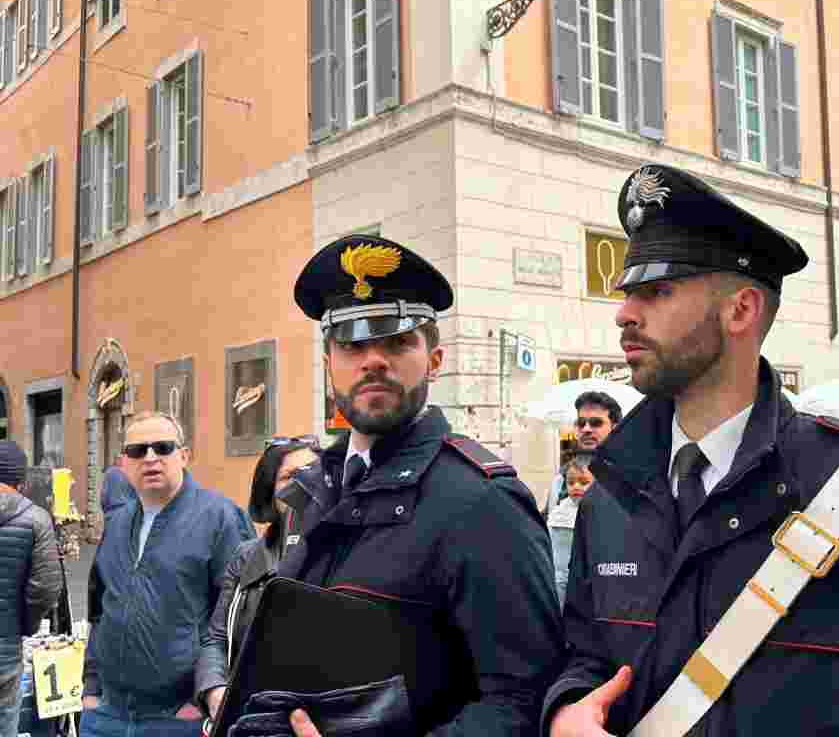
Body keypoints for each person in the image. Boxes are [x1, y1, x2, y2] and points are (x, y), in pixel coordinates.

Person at [544, 164, 839, 736]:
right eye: (627, 292)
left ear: (741, 310)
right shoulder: (610, 494)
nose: (624, 313)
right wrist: (567, 709)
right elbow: (585, 656)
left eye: (657, 290)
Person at [245, 234, 562, 736]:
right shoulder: (315, 490)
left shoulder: (481, 501)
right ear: (329, 365)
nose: (373, 359)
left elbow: (521, 703)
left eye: (397, 341)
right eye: (351, 344)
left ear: (434, 361)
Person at [81, 412, 254, 737]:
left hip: (177, 718)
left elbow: (237, 620)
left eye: (162, 448)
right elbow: (99, 608)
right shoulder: (117, 522)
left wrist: (200, 699)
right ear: (124, 463)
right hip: (107, 715)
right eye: (138, 451)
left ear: (183, 456)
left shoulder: (220, 518)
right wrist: (91, 689)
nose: (150, 458)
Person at [194, 436, 322, 720]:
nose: (303, 485)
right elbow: (216, 638)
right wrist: (214, 689)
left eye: (313, 472)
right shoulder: (247, 557)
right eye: (289, 477)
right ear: (270, 493)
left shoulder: (350, 549)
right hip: (252, 715)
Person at [0, 441, 63, 737]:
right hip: (5, 653)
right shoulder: (37, 519)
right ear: (22, 482)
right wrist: (25, 624)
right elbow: (46, 589)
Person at [543, 393, 622, 516]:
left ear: (615, 428)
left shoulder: (628, 475)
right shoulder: (562, 477)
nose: (586, 429)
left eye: (596, 423)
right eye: (581, 423)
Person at [549, 451, 595, 608]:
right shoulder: (558, 511)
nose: (576, 486)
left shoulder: (600, 510)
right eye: (571, 482)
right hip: (560, 579)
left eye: (583, 482)